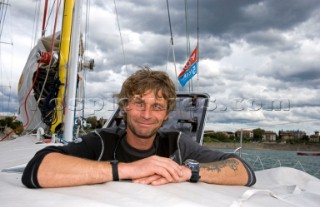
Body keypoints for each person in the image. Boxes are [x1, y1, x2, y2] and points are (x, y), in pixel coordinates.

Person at [22, 68, 256, 188]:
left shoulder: (177, 144)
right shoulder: (102, 142)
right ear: (124, 108)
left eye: (156, 106)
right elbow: (37, 169)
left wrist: (186, 172)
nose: (146, 114)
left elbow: (244, 170)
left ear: (166, 114)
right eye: (138, 103)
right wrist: (128, 169)